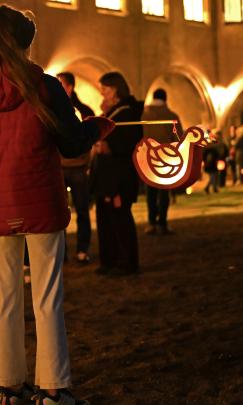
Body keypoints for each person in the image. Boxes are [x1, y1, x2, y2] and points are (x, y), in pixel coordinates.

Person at [0, 5, 113, 405]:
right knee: (47, 298)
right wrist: (97, 127)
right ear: (26, 41)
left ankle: (10, 392)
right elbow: (72, 142)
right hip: (39, 199)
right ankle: (53, 394)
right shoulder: (42, 85)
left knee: (3, 297)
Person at [90, 71, 143, 275]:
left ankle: (126, 261)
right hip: (106, 177)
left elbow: (129, 142)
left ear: (115, 90)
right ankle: (109, 259)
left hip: (119, 177)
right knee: (106, 219)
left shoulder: (127, 113)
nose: (102, 93)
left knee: (120, 219)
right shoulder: (111, 113)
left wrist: (108, 146)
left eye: (105, 89)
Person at [57, 71, 95, 262]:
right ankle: (61, 251)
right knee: (59, 212)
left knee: (81, 209)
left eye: (60, 84)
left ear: (70, 87)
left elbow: (91, 137)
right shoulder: (53, 109)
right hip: (60, 167)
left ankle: (82, 249)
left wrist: (86, 160)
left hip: (78, 167)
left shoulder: (83, 111)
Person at [141, 88, 182, 235]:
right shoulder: (171, 116)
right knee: (164, 192)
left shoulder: (144, 115)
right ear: (165, 99)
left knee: (150, 191)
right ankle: (162, 222)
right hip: (166, 157)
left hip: (148, 156)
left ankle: (151, 222)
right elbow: (178, 139)